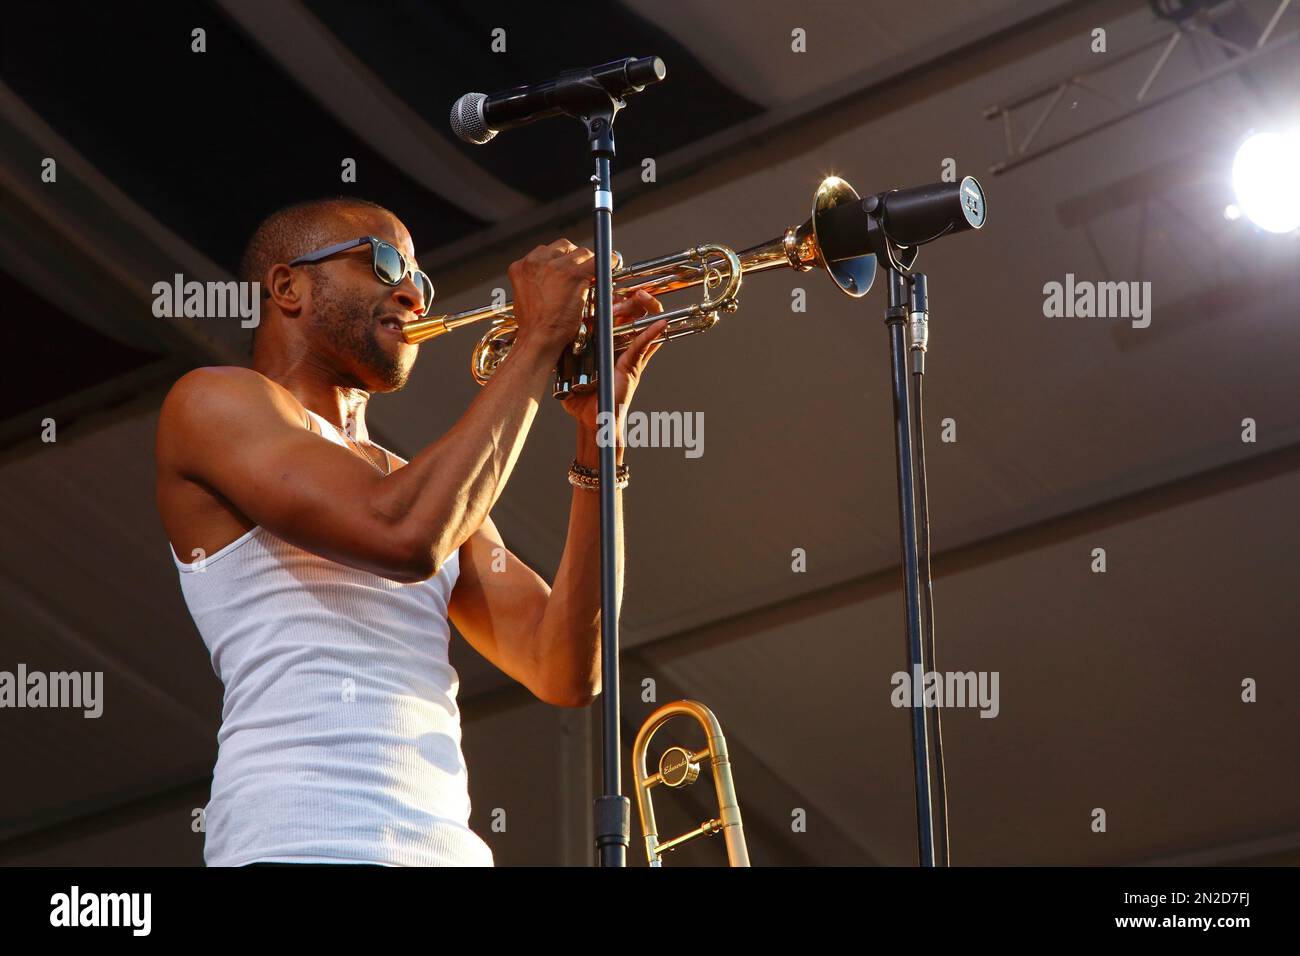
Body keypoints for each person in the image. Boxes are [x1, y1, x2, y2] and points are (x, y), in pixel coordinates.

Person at [154, 197, 666, 866]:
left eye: (420, 280)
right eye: (385, 262)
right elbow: (401, 535)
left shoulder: (421, 485)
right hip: (302, 845)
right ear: (288, 287)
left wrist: (601, 435)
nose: (411, 294)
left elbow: (564, 666)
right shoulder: (212, 401)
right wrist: (539, 339)